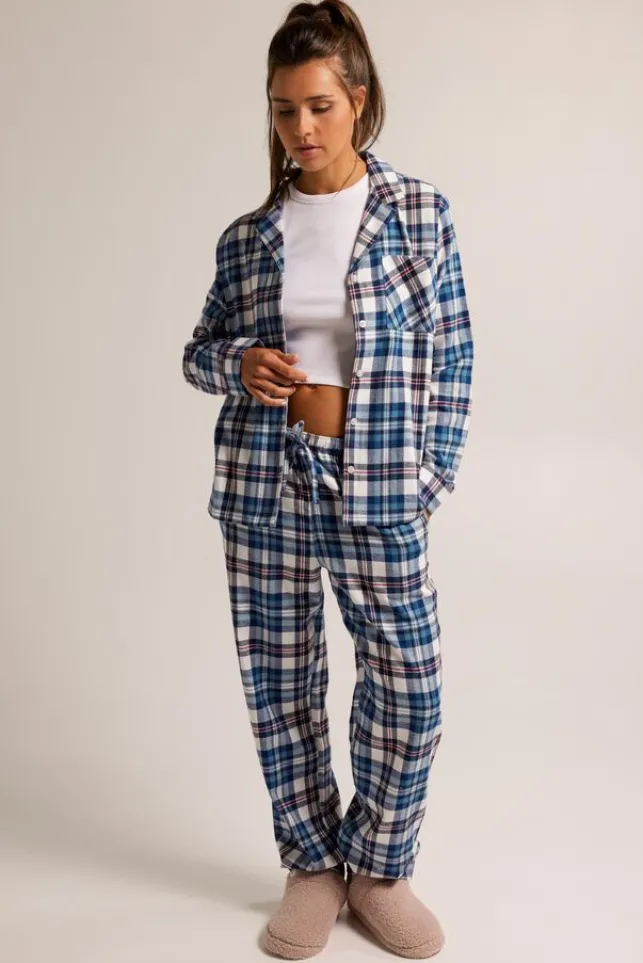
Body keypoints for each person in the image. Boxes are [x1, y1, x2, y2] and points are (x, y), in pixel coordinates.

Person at [182, 1, 474, 957]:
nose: (300, 129)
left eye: (318, 106)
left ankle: (379, 867)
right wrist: (239, 364)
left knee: (409, 683)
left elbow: (454, 354)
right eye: (282, 110)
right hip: (265, 482)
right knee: (281, 680)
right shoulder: (248, 237)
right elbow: (197, 352)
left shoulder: (418, 214)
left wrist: (429, 475)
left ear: (357, 99)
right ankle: (310, 864)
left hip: (380, 482)